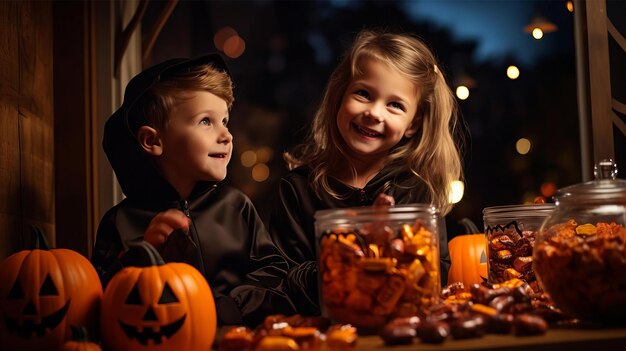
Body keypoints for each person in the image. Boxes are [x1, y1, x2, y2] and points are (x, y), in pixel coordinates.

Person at [268, 29, 465, 316]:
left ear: (412, 124)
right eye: (363, 93)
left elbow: (435, 275)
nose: (374, 112)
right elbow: (284, 280)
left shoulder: (415, 188)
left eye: (395, 105)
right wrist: (358, 250)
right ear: (339, 96)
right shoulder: (297, 190)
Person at [91, 53, 295, 327]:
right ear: (153, 140)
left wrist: (230, 307)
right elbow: (100, 302)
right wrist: (142, 254)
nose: (227, 135)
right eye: (205, 121)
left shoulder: (236, 207)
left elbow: (275, 274)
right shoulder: (120, 223)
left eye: (224, 121)